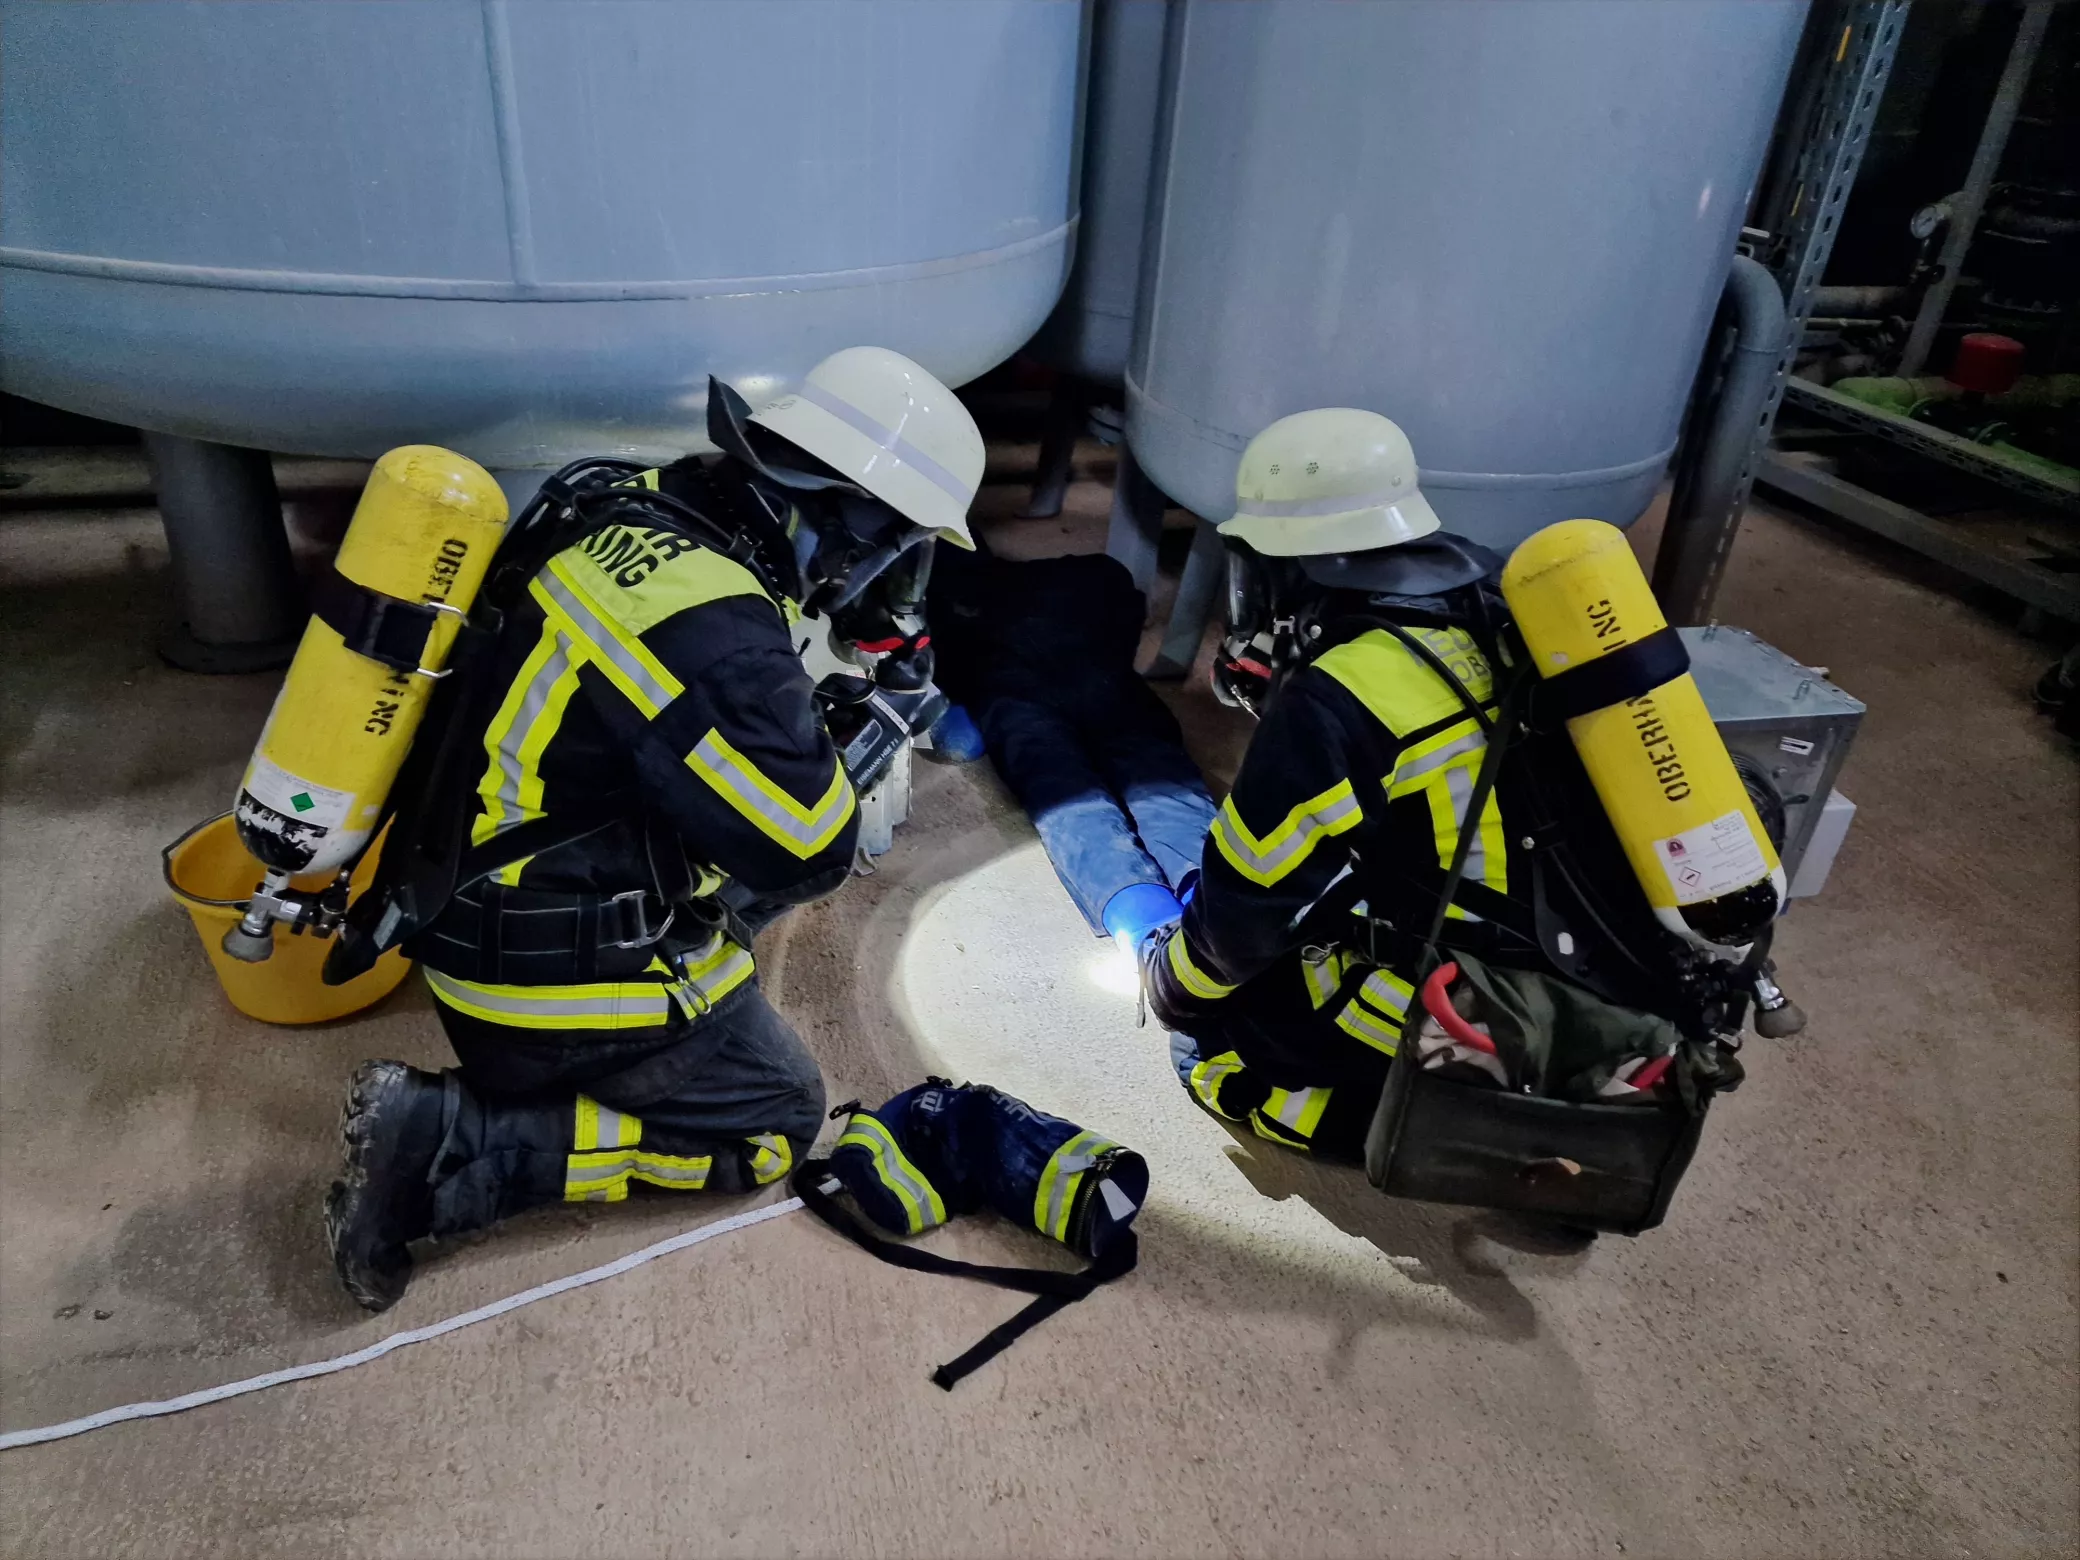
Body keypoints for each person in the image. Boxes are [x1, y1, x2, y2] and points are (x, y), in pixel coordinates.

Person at [325, 347, 984, 1311]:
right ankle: (449, 1141)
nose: (891, 575)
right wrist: (870, 732)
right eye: (896, 546)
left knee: (740, 848)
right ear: (846, 519)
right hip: (533, 979)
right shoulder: (712, 628)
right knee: (775, 1119)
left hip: (457, 884)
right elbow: (809, 853)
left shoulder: (629, 496)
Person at [1141, 407, 1600, 1158]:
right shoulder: (1489, 594)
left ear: (1295, 562)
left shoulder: (1340, 698)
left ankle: (1415, 1125)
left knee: (1211, 1048)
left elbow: (1242, 916)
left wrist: (1170, 983)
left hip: (1478, 1003)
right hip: (1579, 949)